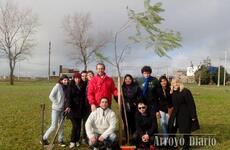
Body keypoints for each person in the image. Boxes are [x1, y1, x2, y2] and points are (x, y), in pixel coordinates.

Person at [168, 79, 199, 150]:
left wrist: (193, 115)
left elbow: (191, 104)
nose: (175, 84)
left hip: (185, 114)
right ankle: (171, 145)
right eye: (173, 83)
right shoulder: (172, 92)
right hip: (175, 113)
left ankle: (186, 147)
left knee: (186, 131)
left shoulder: (185, 91)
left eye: (177, 82)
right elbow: (170, 104)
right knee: (171, 129)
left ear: (180, 83)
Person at [41, 75, 69, 147]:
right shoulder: (57, 86)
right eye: (64, 80)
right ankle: (44, 139)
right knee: (53, 126)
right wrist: (57, 103)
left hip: (63, 110)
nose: (66, 81)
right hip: (56, 109)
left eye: (67, 80)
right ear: (61, 80)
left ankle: (61, 140)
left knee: (61, 125)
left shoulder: (66, 87)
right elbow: (51, 96)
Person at [65, 72, 85, 148]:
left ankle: (77, 140)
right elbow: (68, 97)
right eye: (76, 78)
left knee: (79, 126)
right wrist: (68, 106)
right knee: (75, 126)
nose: (77, 80)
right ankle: (72, 141)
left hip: (80, 109)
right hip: (72, 109)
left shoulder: (82, 85)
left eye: (79, 78)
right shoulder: (70, 86)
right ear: (73, 78)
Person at [121, 74, 142, 142]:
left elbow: (140, 96)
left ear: (132, 80)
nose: (128, 80)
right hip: (125, 108)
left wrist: (136, 102)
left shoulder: (136, 87)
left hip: (134, 108)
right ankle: (127, 138)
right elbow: (118, 97)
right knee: (126, 123)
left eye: (129, 79)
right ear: (124, 80)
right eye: (126, 79)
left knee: (134, 123)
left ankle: (134, 138)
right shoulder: (122, 88)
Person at [157, 75, 173, 146]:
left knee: (168, 124)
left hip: (170, 109)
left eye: (164, 81)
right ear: (160, 82)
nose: (163, 82)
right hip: (161, 109)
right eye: (162, 81)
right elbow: (156, 101)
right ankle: (166, 140)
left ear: (167, 81)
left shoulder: (170, 89)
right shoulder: (158, 90)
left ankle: (169, 139)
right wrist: (157, 111)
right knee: (163, 124)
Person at [81, 70, 94, 144]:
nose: (89, 76)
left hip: (93, 105)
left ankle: (91, 137)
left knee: (92, 122)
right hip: (85, 105)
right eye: (88, 75)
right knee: (86, 121)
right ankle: (84, 137)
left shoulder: (95, 82)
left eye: (91, 75)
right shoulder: (84, 83)